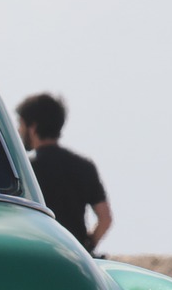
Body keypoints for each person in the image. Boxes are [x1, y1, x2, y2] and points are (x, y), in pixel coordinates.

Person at [16, 93, 112, 254]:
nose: (19, 131)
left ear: (33, 127)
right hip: (75, 256)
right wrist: (87, 247)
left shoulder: (26, 169)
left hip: (40, 253)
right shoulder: (84, 166)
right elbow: (105, 218)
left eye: (21, 124)